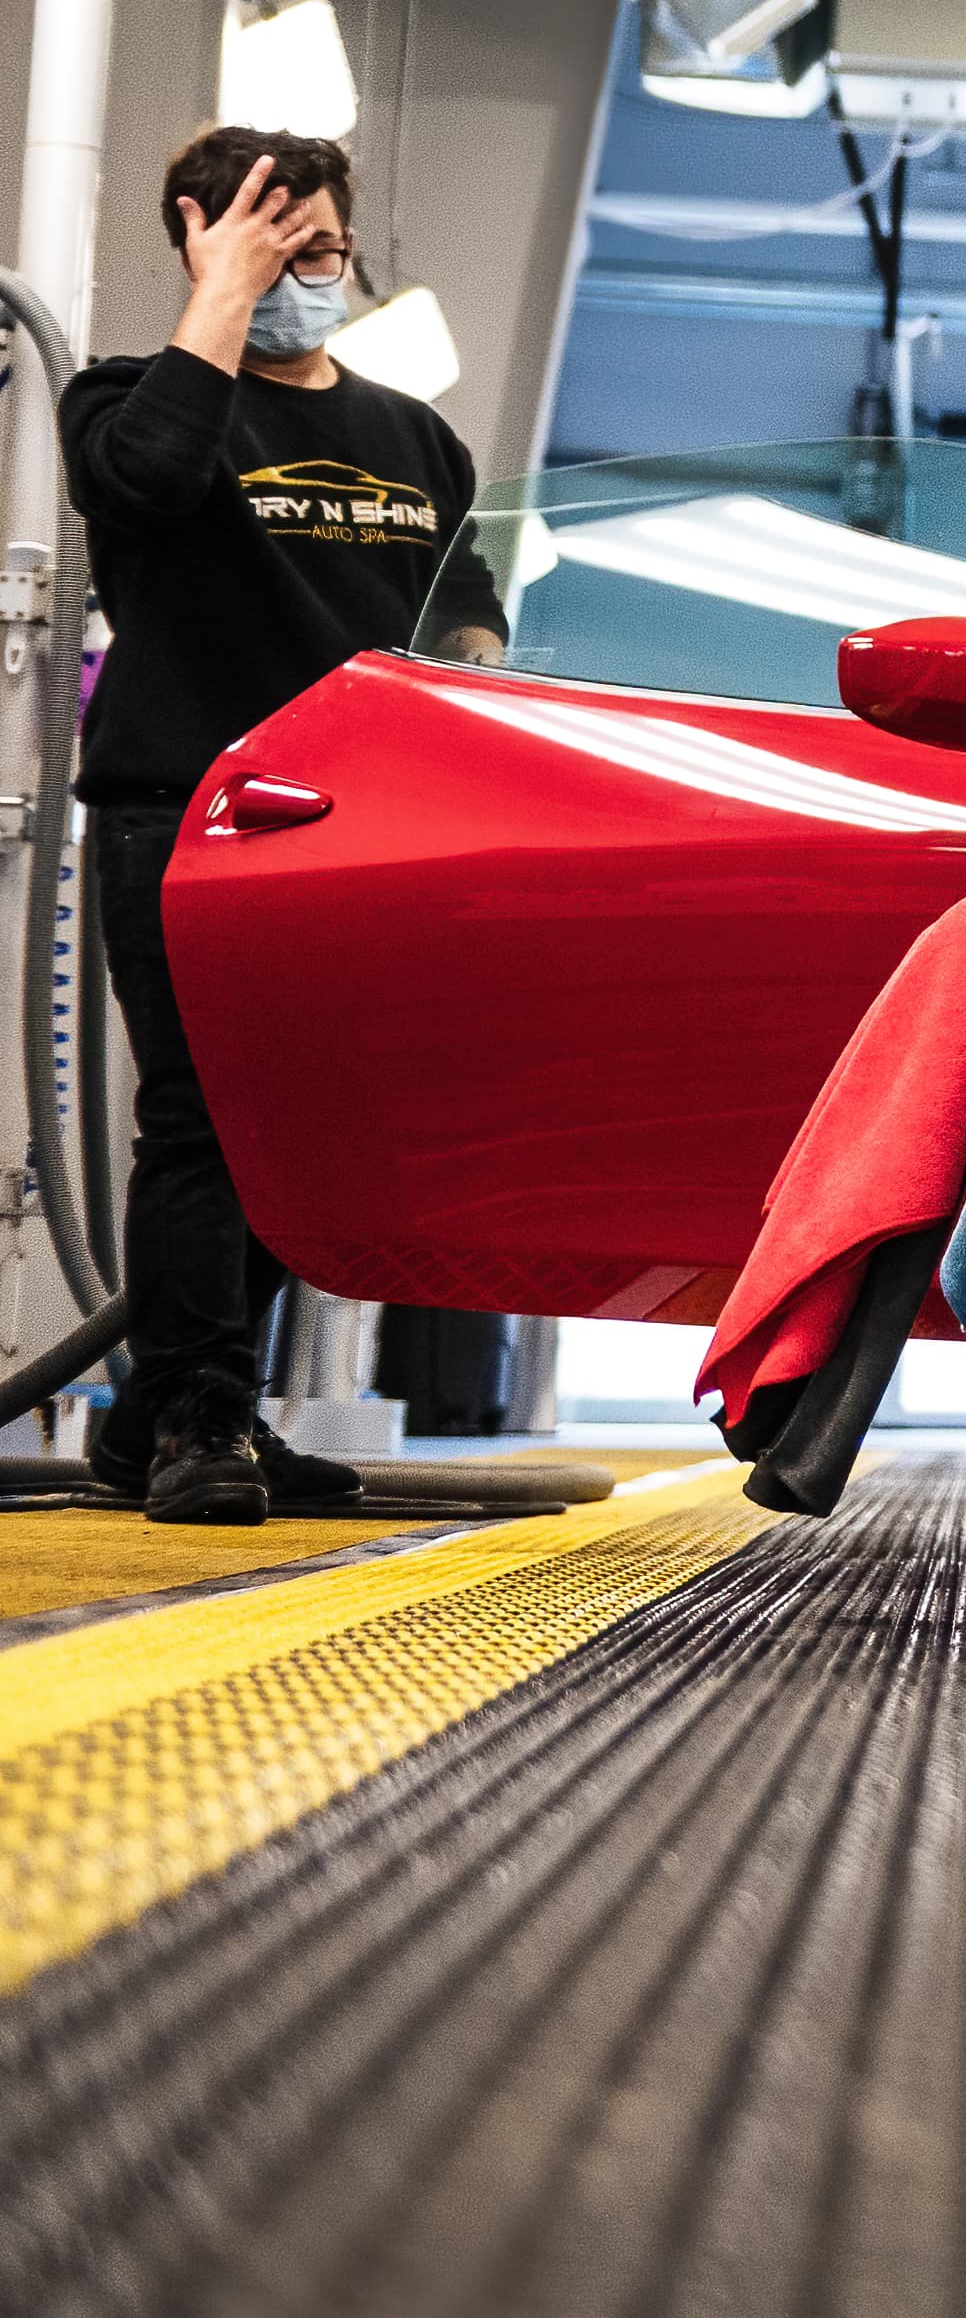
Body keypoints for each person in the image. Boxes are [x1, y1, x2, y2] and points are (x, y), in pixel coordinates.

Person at [70, 131, 498, 1524]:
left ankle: (185, 1409)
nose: (309, 272)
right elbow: (143, 487)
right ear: (201, 234)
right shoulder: (131, 396)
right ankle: (199, 1416)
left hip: (357, 824)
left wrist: (479, 670)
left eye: (321, 249)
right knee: (200, 1119)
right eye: (275, 245)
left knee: (301, 1134)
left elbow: (465, 605)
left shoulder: (415, 438)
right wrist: (222, 303)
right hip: (192, 811)